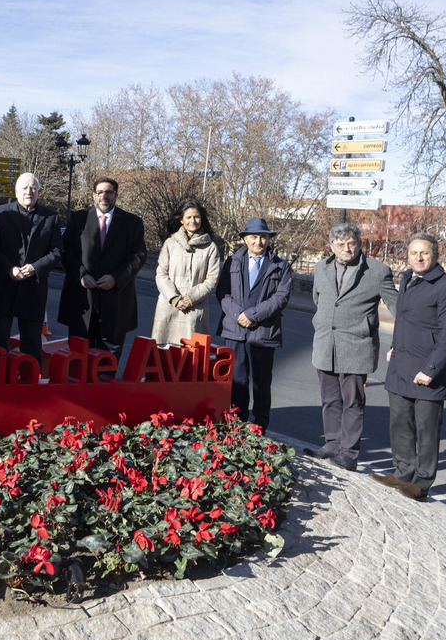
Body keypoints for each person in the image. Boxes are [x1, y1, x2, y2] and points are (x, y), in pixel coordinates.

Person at [371, 233, 446, 502]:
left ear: (435, 255)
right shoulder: (407, 280)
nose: (419, 257)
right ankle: (402, 473)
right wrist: (394, 347)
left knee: (427, 429)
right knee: (400, 423)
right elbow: (405, 321)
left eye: (424, 253)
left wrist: (431, 369)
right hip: (401, 365)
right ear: (408, 255)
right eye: (414, 253)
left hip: (428, 372)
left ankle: (421, 484)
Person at [304, 223, 398, 471]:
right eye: (340, 244)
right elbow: (319, 300)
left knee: (353, 401)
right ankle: (332, 444)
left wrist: (400, 342)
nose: (347, 248)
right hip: (325, 345)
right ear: (331, 245)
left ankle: (350, 453)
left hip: (357, 347)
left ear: (359, 243)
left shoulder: (377, 271)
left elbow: (398, 308)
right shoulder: (321, 268)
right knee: (329, 399)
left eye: (351, 243)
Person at [215, 218, 292, 430]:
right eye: (254, 237)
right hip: (234, 331)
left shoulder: (280, 266)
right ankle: (237, 424)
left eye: (263, 237)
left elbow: (281, 298)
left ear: (268, 239)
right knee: (236, 381)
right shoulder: (232, 262)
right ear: (245, 239)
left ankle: (259, 426)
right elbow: (222, 292)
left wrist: (253, 315)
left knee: (261, 383)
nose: (259, 241)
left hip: (263, 332)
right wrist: (239, 314)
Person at [57, 177, 146, 360]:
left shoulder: (132, 222)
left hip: (116, 300)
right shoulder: (78, 218)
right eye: (100, 192)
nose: (104, 196)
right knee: (78, 358)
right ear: (93, 195)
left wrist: (116, 277)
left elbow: (138, 255)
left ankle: (104, 388)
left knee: (107, 360)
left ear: (116, 195)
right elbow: (66, 250)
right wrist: (81, 274)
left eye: (109, 192)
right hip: (82, 299)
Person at [0, 172, 62, 362]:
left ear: (39, 192)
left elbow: (57, 250)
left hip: (33, 287)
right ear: (16, 191)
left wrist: (35, 267)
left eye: (33, 188)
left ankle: (29, 385)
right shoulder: (0, 213)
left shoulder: (51, 217)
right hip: (3, 285)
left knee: (32, 346)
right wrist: (9, 269)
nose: (29, 191)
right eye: (25, 188)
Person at [150, 200, 220, 347]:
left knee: (191, 360)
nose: (192, 221)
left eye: (196, 217)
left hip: (194, 311)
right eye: (188, 217)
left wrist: (190, 299)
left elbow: (212, 280)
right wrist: (175, 298)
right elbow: (161, 274)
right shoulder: (170, 243)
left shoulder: (211, 247)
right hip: (168, 308)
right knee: (163, 361)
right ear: (182, 220)